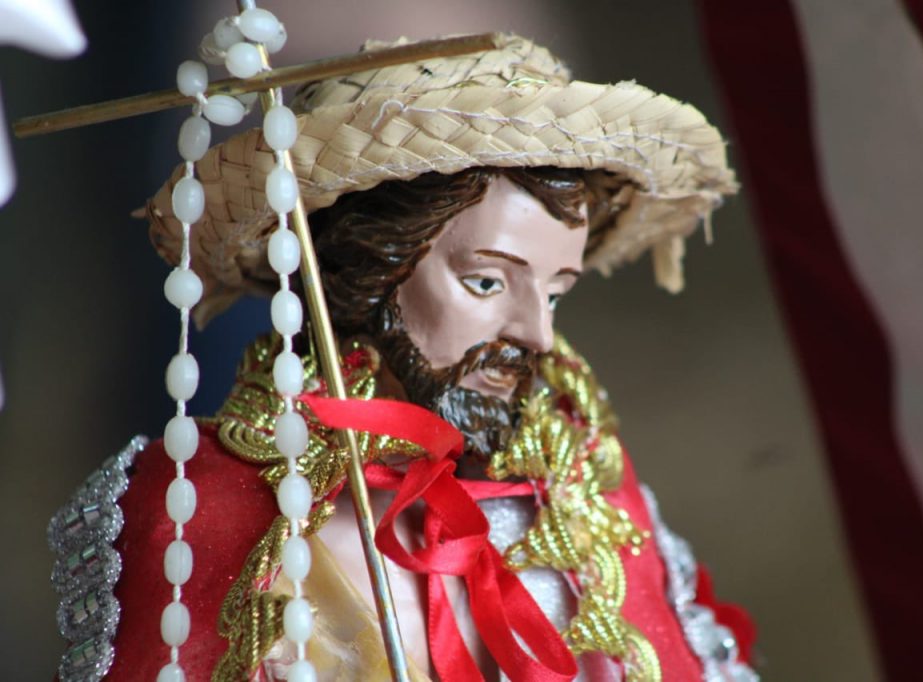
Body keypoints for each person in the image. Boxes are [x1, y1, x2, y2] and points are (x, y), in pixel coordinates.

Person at [49, 34, 757, 681]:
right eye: (486, 282)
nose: (536, 334)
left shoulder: (583, 495)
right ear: (368, 273)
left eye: (554, 294)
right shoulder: (207, 509)